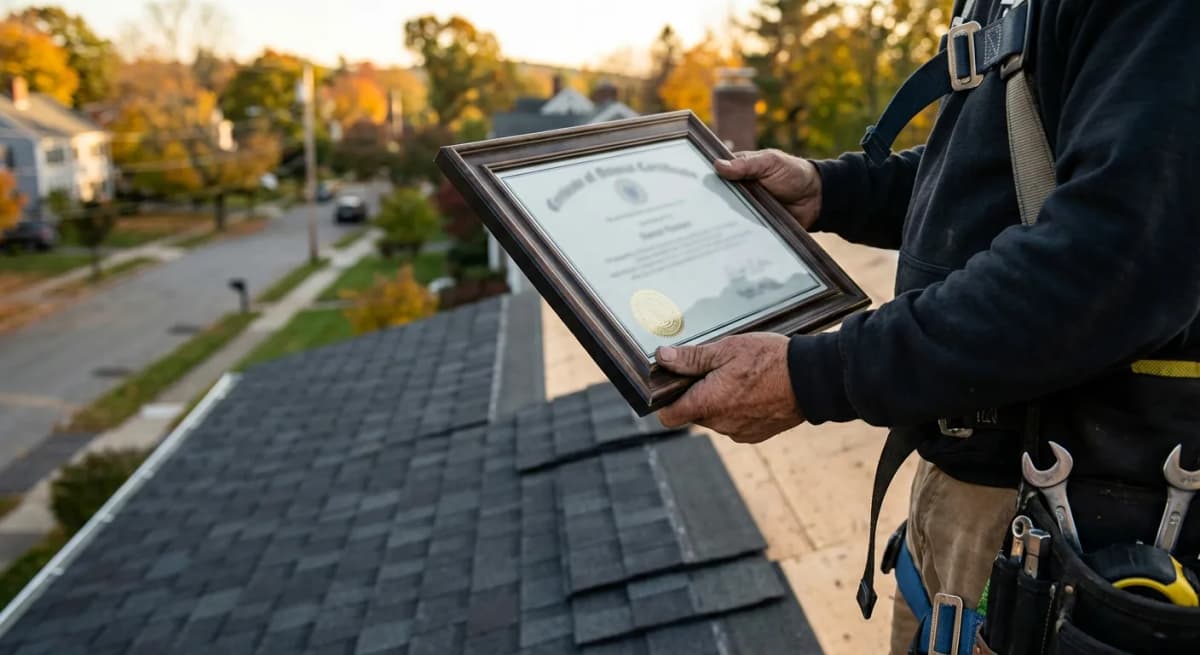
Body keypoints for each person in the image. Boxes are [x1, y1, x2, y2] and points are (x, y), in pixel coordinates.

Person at [655, 1, 1200, 652]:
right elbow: (991, 176)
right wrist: (832, 191)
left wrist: (817, 374)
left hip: (1054, 513)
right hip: (968, 490)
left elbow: (1111, 262)